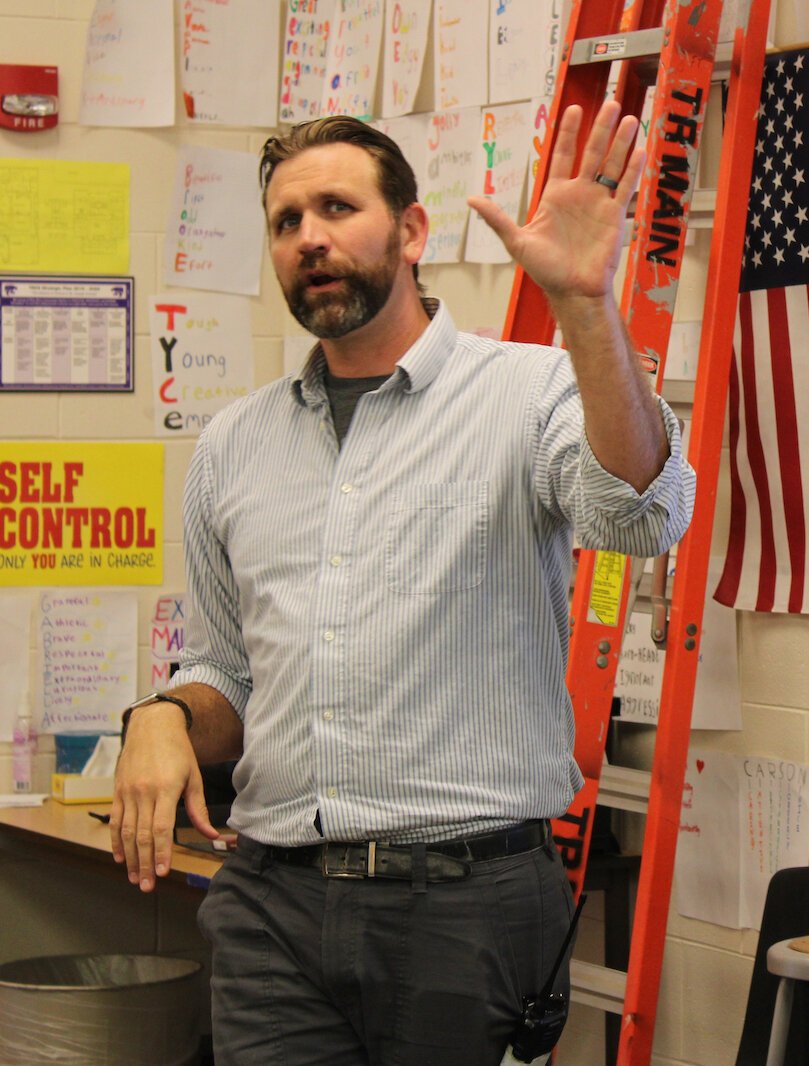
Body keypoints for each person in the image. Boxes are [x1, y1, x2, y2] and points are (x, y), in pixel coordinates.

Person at [110, 102, 695, 1064]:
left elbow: (641, 516)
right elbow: (230, 674)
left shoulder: (529, 391)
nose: (310, 238)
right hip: (273, 911)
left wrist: (588, 306)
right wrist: (164, 716)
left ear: (413, 231)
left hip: (465, 906)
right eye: (286, 222)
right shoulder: (233, 447)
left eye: (336, 207)